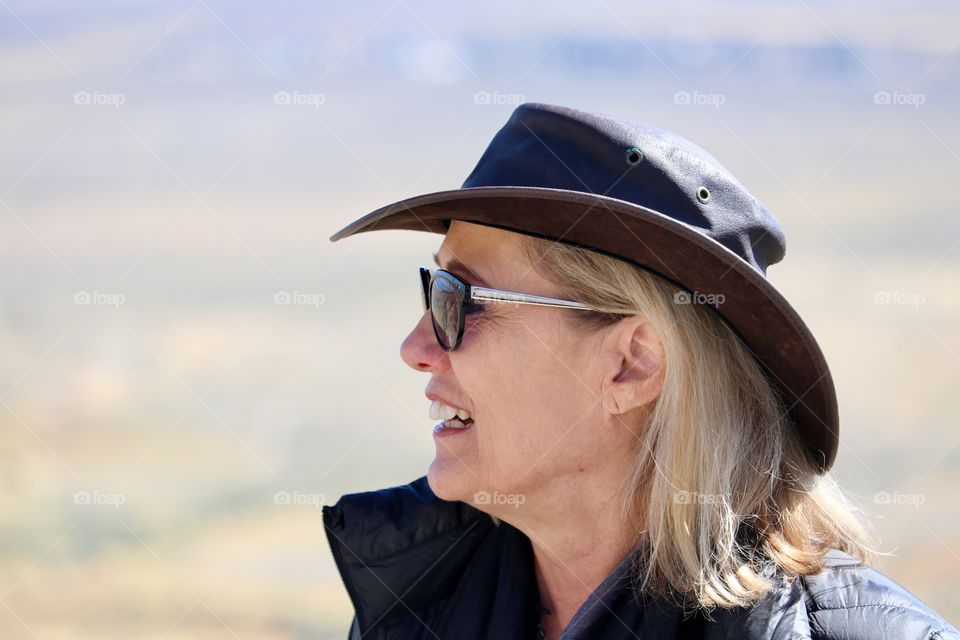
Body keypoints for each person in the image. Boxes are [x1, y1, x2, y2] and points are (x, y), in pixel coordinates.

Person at [323, 103, 959, 639]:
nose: (416, 347)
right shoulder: (411, 612)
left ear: (630, 364)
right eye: (432, 289)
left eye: (459, 299)